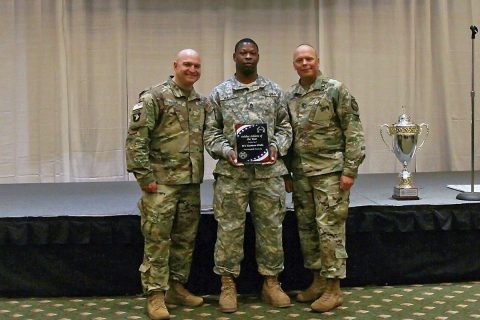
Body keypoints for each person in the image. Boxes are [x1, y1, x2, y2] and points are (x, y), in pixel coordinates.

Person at [204, 38, 293, 313]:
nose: (247, 56)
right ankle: (228, 284)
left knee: (271, 229)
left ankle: (271, 282)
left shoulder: (274, 91)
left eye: (252, 52)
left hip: (269, 175)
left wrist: (277, 147)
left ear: (258, 56)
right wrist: (227, 150)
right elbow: (210, 133)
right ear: (234, 56)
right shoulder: (219, 93)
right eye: (243, 52)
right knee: (229, 230)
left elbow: (286, 127)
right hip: (232, 175)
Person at [125, 49, 208, 320]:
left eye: (196, 66)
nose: (192, 70)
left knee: (184, 241)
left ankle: (175, 287)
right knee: (158, 240)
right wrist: (145, 177)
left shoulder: (199, 101)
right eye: (187, 64)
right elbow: (137, 139)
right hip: (161, 185)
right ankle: (156, 295)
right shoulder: (154, 97)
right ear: (175, 65)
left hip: (190, 184)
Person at [284, 44, 366, 313]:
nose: (305, 63)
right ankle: (318, 280)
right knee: (307, 229)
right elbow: (287, 137)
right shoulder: (291, 96)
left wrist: (349, 170)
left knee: (329, 229)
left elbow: (353, 131)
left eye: (309, 58)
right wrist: (287, 172)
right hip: (302, 174)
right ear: (294, 64)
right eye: (299, 60)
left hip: (330, 173)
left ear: (317, 61)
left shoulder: (335, 89)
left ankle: (333, 288)